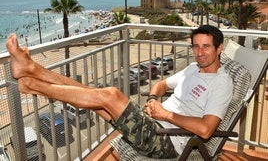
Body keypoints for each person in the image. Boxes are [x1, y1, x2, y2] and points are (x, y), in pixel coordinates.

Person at [6, 25, 233, 159]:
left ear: (219, 48)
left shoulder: (222, 83)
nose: (200, 52)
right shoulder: (193, 69)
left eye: (206, 46)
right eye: (196, 46)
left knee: (110, 95)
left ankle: (32, 83)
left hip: (168, 140)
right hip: (153, 122)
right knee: (94, 94)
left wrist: (165, 115)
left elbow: (205, 130)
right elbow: (162, 85)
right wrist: (154, 99)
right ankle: (32, 70)